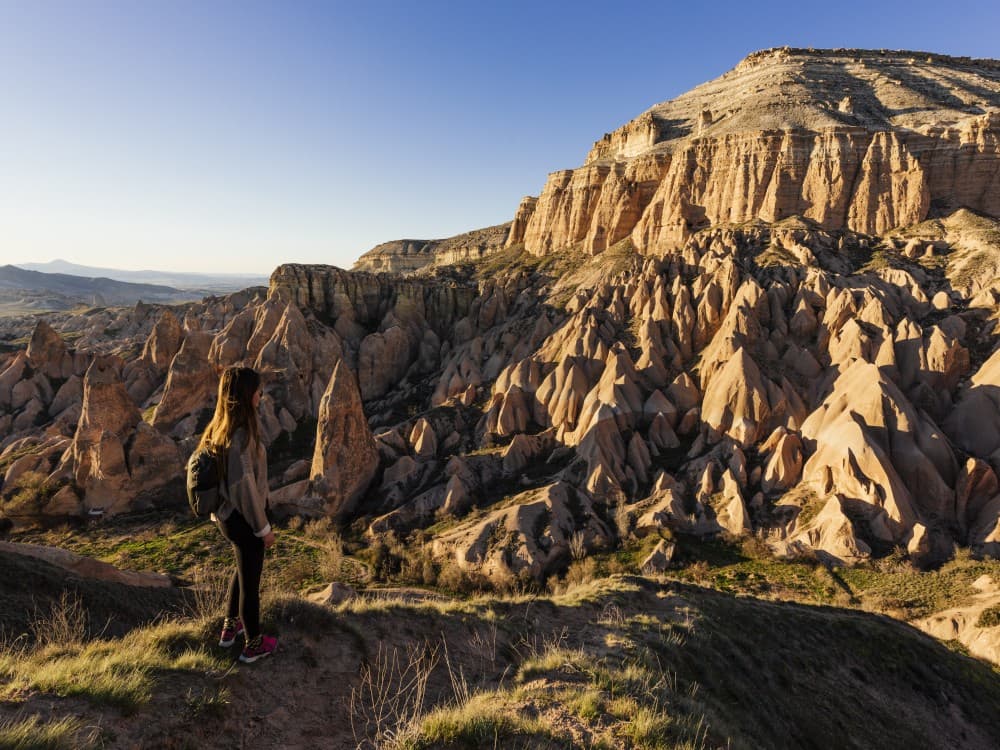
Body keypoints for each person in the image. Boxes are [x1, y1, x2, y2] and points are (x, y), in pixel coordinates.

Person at [197, 366, 278, 663]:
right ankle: (253, 645)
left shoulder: (220, 428)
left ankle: (230, 629)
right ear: (246, 395)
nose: (261, 395)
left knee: (242, 571)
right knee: (251, 587)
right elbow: (244, 488)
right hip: (242, 518)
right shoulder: (241, 437)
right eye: (258, 391)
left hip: (227, 517)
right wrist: (263, 529)